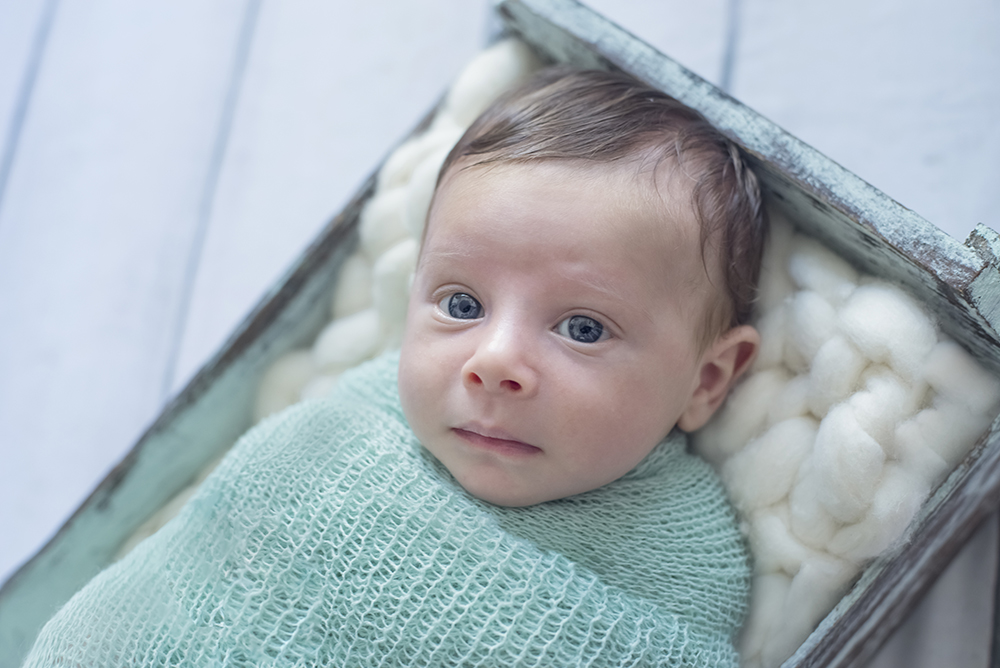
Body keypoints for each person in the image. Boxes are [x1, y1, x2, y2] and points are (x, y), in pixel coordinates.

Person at [23, 67, 766, 667]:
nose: (494, 361)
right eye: (463, 305)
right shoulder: (350, 431)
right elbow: (200, 569)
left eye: (581, 327)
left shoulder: (677, 565)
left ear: (705, 381)